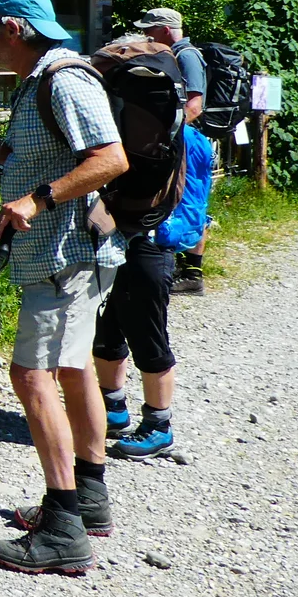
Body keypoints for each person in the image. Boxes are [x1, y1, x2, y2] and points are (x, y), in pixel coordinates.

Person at [0, 0, 128, 573]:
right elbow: (21, 155)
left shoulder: (64, 79)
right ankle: (88, 502)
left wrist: (36, 202)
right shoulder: (38, 83)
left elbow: (110, 158)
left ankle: (63, 528)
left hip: (64, 254)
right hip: (67, 252)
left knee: (30, 374)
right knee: (71, 369)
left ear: (14, 27)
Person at [97, 119, 215, 458]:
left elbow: (193, 204)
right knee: (107, 330)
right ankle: (112, 408)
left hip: (151, 246)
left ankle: (158, 426)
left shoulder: (187, 139)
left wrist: (161, 235)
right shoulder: (130, 127)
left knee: (148, 336)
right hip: (118, 240)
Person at [134, 7, 209, 292]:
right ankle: (178, 266)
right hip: (180, 136)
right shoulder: (173, 54)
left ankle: (192, 274)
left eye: (149, 31)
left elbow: (194, 106)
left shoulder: (185, 55)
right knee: (176, 197)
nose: (146, 36)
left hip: (187, 139)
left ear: (165, 30)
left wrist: (165, 134)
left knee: (188, 199)